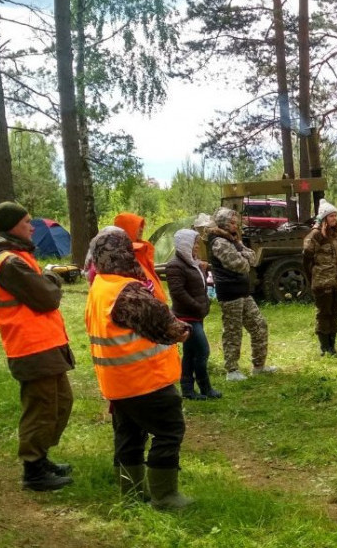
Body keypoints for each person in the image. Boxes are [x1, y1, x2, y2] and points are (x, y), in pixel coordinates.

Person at [84, 228, 194, 509]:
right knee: (169, 431)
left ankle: (131, 495)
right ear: (124, 253)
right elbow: (167, 326)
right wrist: (182, 330)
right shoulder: (127, 291)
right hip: (146, 381)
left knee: (128, 437)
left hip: (117, 384)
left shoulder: (100, 286)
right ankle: (165, 496)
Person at [0, 202, 75, 492]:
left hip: (45, 344)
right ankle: (33, 471)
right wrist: (51, 277)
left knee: (61, 402)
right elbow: (47, 297)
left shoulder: (18, 256)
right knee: (41, 408)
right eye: (26, 222)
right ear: (12, 227)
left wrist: (46, 279)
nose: (32, 227)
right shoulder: (9, 262)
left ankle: (42, 457)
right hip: (30, 347)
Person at [208, 207, 275, 381]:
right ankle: (232, 371)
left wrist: (240, 249)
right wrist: (244, 257)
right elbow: (242, 265)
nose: (235, 225)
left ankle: (259, 366)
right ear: (223, 223)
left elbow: (253, 258)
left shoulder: (232, 240)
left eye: (235, 221)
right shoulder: (218, 242)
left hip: (244, 293)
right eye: (231, 222)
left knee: (259, 326)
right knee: (233, 332)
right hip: (230, 294)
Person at [166, 229, 222, 400]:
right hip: (186, 316)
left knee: (190, 353)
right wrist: (198, 306)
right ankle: (205, 388)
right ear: (185, 244)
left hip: (196, 315)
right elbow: (178, 292)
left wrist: (202, 270)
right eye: (194, 243)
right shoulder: (175, 265)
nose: (197, 246)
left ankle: (188, 390)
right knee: (202, 351)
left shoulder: (192, 263)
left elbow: (198, 285)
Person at [303, 199, 337, 356]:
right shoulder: (315, 235)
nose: (334, 219)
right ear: (324, 218)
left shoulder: (336, 235)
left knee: (334, 313)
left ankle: (332, 345)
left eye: (335, 216)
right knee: (324, 313)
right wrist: (313, 278)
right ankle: (324, 346)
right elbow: (306, 259)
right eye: (331, 216)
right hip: (322, 282)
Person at [113, 212, 167, 303]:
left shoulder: (142, 250)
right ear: (126, 228)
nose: (141, 230)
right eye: (137, 227)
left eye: (142, 227)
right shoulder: (123, 257)